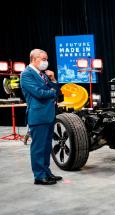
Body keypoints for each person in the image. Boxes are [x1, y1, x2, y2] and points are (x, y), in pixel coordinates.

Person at [21, 49, 63, 185]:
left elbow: (57, 91)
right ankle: (39, 176)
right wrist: (51, 92)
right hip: (38, 116)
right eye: (43, 59)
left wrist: (53, 79)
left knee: (46, 147)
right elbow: (39, 93)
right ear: (34, 59)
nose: (46, 62)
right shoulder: (26, 74)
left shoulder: (43, 75)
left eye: (46, 59)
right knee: (38, 148)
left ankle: (46, 172)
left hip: (49, 115)